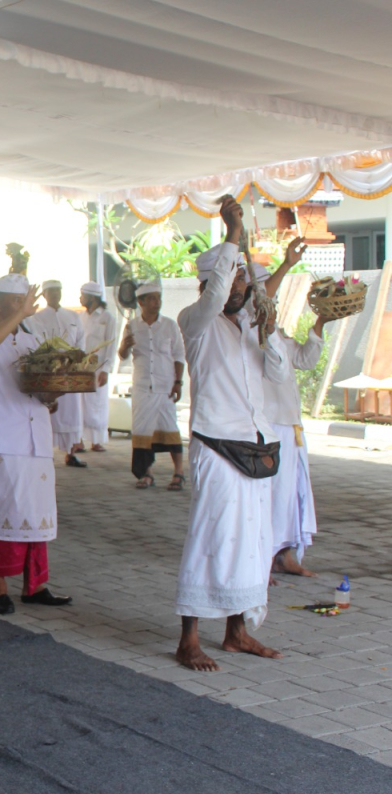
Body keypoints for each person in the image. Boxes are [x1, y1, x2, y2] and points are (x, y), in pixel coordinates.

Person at [174, 197, 293, 672]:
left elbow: (280, 377)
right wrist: (234, 233)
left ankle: (237, 633)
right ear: (209, 285)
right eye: (235, 277)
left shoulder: (249, 327)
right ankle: (188, 640)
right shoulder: (195, 322)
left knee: (252, 542)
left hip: (255, 448)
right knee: (212, 538)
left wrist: (268, 332)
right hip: (216, 448)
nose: (243, 285)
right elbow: (220, 285)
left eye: (246, 279)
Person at [0, 274, 72, 615]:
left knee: (37, 512)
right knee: (6, 510)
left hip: (36, 433)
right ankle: (0, 588)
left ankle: (36, 584)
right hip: (4, 435)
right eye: (18, 301)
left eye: (26, 300)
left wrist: (56, 389)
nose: (26, 306)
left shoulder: (33, 338)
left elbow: (41, 390)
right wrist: (20, 315)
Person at [253, 251, 318, 578]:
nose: (273, 303)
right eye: (268, 296)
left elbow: (306, 359)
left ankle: (285, 554)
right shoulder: (252, 333)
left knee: (292, 495)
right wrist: (289, 263)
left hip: (292, 427)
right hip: (270, 427)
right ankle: (262, 560)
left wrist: (320, 323)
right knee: (271, 495)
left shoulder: (278, 333)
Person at [118, 281, 186, 490]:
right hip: (142, 387)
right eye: (152, 298)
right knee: (142, 430)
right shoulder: (132, 326)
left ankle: (179, 472)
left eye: (159, 298)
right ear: (141, 302)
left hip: (165, 385)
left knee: (170, 428)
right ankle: (146, 473)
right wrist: (125, 347)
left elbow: (178, 355)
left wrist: (178, 382)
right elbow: (122, 355)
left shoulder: (169, 325)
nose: (157, 302)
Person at [30, 281, 87, 467]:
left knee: (72, 411)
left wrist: (76, 359)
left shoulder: (73, 316)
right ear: (44, 295)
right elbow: (37, 342)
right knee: (49, 411)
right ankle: (46, 453)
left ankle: (71, 453)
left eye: (57, 291)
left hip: (69, 370)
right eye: (51, 291)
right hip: (49, 369)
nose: (55, 294)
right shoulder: (37, 318)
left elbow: (80, 340)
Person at [78, 281, 116, 452]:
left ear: (92, 298)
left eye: (83, 295)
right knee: (81, 404)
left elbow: (111, 345)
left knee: (97, 404)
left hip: (99, 367)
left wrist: (106, 369)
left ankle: (97, 440)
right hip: (82, 367)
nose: (80, 298)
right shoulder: (81, 317)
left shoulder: (107, 317)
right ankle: (78, 439)